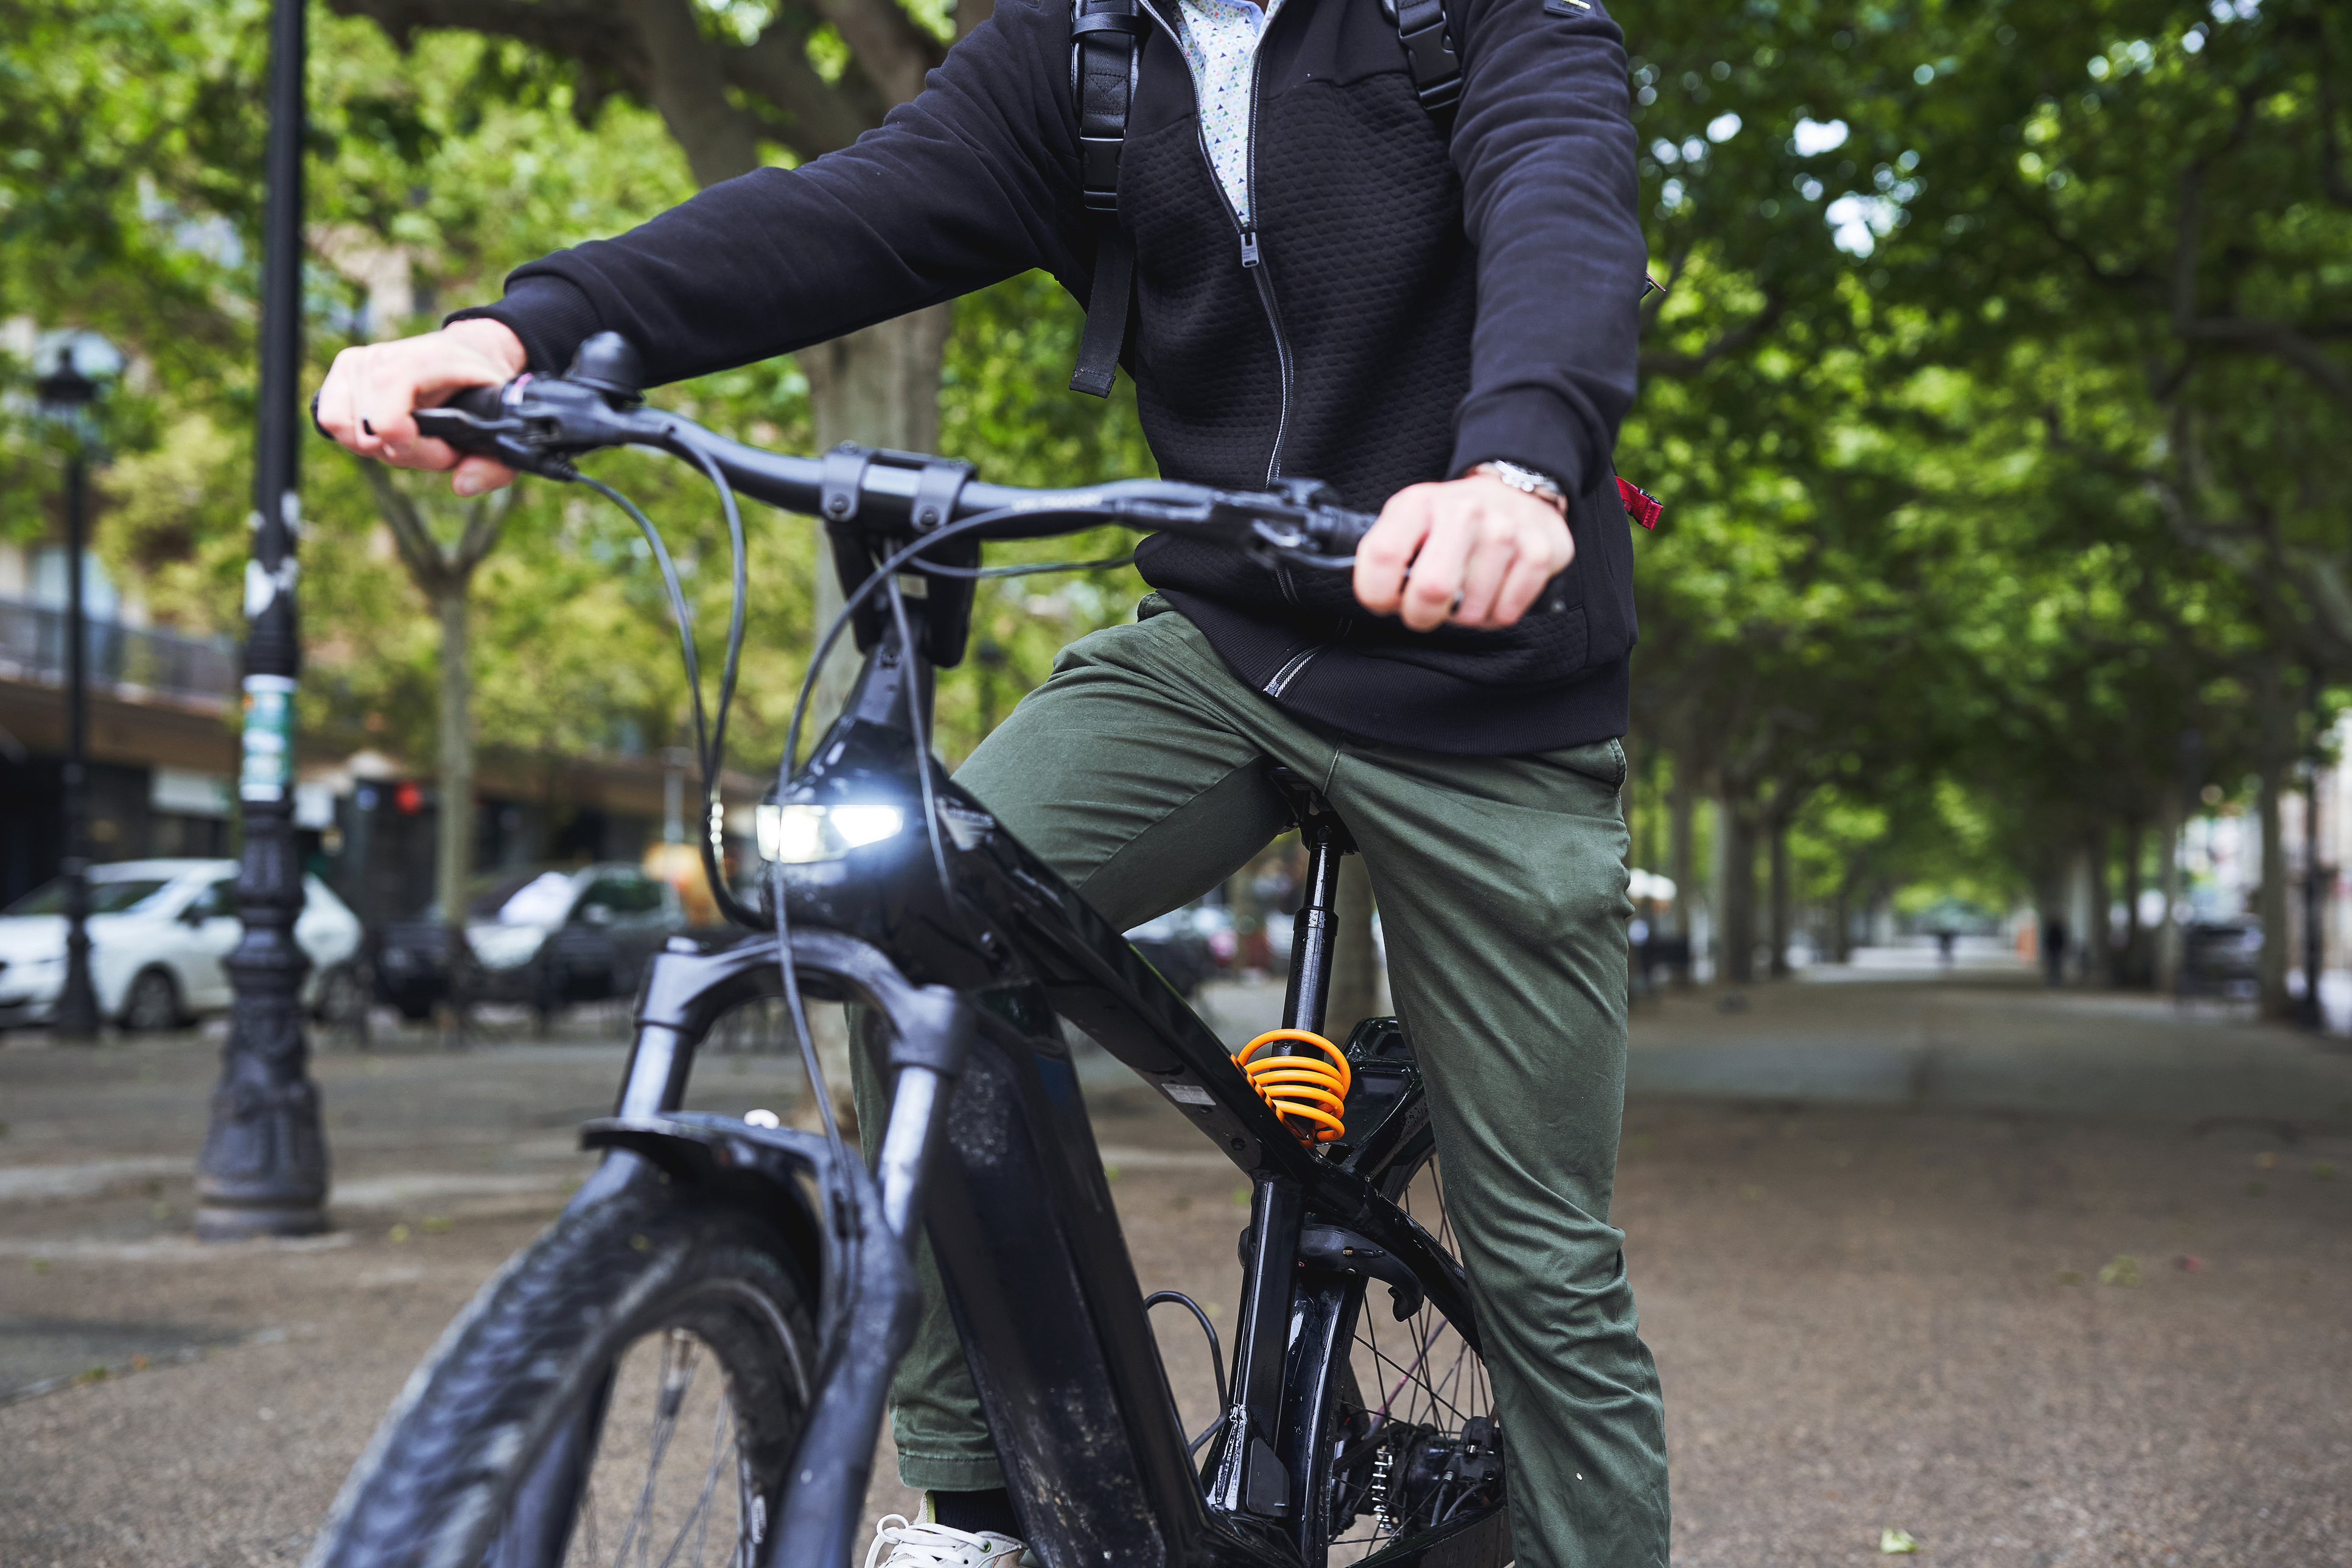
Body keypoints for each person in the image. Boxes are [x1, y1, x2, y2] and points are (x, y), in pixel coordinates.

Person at [315, 0, 1667, 1560]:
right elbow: (850, 209)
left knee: (1544, 1258)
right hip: (1230, 647)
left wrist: (1519, 463)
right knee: (914, 909)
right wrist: (520, 336)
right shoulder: (1081, 45)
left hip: (1491, 682)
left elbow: (1560, 192)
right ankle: (982, 1513)